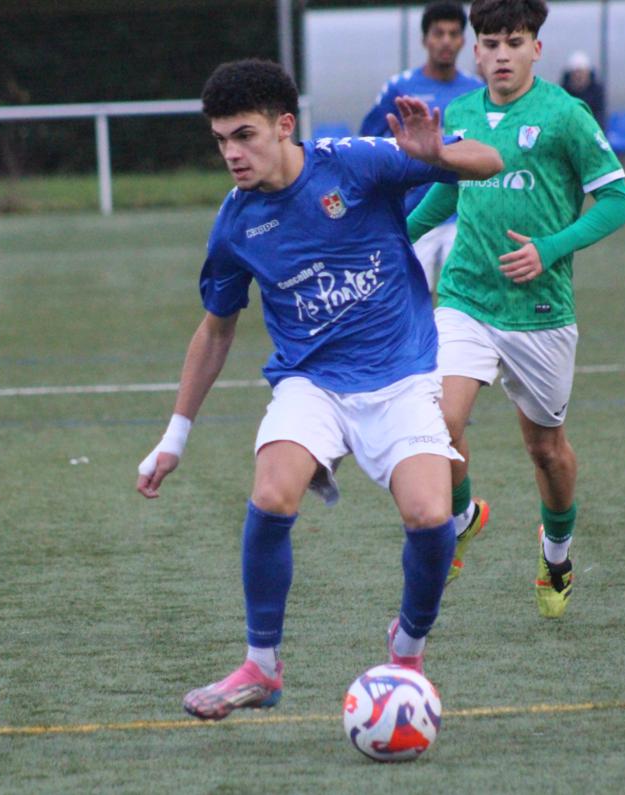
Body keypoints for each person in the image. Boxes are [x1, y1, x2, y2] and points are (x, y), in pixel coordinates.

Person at [136, 59, 502, 721]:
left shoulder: (354, 164)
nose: (232, 153)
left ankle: (407, 652)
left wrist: (438, 155)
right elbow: (216, 330)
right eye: (220, 140)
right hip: (312, 383)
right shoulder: (236, 224)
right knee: (272, 493)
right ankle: (261, 665)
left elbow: (490, 160)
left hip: (401, 374)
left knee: (430, 517)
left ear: (284, 125)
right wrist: (174, 436)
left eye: (244, 135)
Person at [405, 0, 625, 618]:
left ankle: (556, 554)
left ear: (537, 48)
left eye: (514, 42)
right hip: (466, 298)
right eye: (490, 43)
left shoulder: (565, 115)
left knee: (546, 450)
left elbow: (618, 201)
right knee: (436, 420)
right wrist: (396, 239)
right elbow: (445, 195)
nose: (501, 54)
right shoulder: (459, 114)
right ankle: (461, 518)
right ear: (475, 51)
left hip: (540, 311)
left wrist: (549, 249)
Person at [360, 2, 485, 296]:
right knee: (412, 301)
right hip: (414, 213)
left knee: (466, 299)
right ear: (424, 39)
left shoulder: (477, 89)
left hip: (463, 215)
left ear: (463, 41)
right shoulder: (399, 88)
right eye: (438, 33)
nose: (446, 41)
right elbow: (368, 143)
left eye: (453, 34)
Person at [561, 50, 606, 127]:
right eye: (576, 73)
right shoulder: (562, 94)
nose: (579, 77)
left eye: (582, 73)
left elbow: (600, 117)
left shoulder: (596, 93)